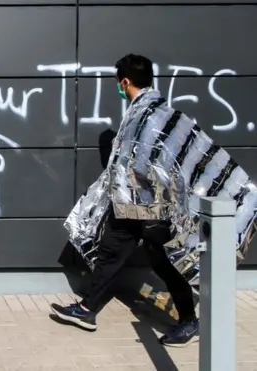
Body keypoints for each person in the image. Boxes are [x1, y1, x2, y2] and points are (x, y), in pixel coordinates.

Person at [53, 54, 199, 348]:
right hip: (130, 202)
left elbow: (147, 161)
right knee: (111, 252)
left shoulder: (147, 114)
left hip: (151, 204)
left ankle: (188, 321)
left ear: (125, 82)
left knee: (162, 261)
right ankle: (87, 309)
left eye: (118, 84)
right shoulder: (155, 110)